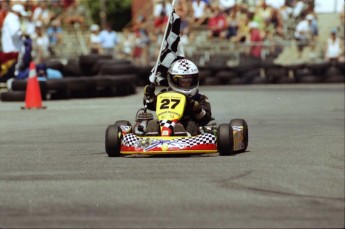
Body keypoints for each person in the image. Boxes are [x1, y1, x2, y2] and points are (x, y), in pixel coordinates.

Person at [143, 59, 212, 136]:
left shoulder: (200, 98)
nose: (186, 84)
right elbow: (150, 105)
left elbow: (205, 119)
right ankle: (151, 136)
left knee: (191, 123)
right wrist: (149, 96)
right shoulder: (164, 94)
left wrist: (197, 108)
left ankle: (183, 135)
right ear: (173, 80)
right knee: (153, 123)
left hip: (188, 129)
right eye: (182, 81)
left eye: (189, 81)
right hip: (164, 124)